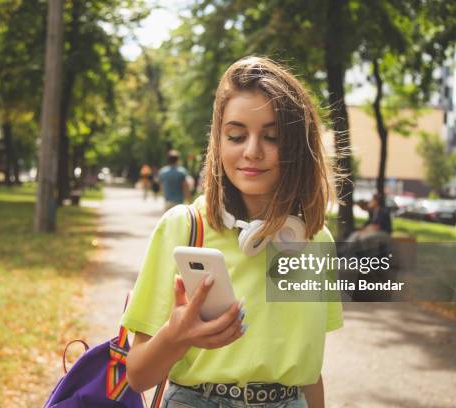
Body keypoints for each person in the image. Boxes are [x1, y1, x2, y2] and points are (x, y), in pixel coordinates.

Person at [122, 56, 343, 408]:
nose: (252, 152)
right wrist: (175, 337)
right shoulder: (183, 227)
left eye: (272, 137)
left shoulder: (315, 243)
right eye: (236, 135)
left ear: (298, 149)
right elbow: (137, 376)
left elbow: (309, 374)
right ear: (219, 141)